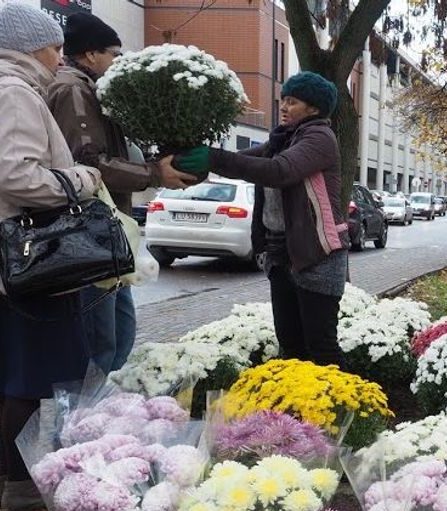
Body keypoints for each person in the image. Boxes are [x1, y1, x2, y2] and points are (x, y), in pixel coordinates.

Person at [0, 2, 102, 511]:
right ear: (32, 48)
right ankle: (21, 485)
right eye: (56, 47)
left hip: (5, 261)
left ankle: (9, 481)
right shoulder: (12, 92)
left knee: (17, 379)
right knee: (30, 378)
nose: (61, 58)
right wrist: (81, 179)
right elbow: (15, 174)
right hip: (29, 264)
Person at [46, 13, 195, 374]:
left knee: (120, 335)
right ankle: (87, 406)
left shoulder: (93, 89)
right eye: (115, 53)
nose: (119, 61)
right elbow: (89, 163)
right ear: (91, 54)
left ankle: (101, 401)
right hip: (90, 233)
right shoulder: (74, 90)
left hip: (109, 234)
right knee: (100, 344)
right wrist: (153, 173)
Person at [173, 71, 348, 367]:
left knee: (322, 347)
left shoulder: (320, 138)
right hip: (281, 253)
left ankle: (346, 397)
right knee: (291, 346)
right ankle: (297, 397)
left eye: (292, 102)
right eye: (283, 100)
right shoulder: (281, 140)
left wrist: (213, 159)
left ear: (314, 109)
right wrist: (196, 161)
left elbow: (279, 171)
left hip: (316, 254)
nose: (284, 107)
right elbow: (245, 161)